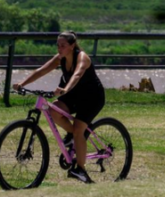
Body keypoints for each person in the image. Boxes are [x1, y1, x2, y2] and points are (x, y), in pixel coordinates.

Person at [13, 31, 105, 184]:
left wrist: (65, 89)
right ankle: (72, 136)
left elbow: (77, 75)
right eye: (58, 45)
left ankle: (80, 169)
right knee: (54, 111)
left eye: (63, 45)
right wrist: (22, 83)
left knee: (78, 130)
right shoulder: (60, 58)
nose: (59, 49)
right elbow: (42, 70)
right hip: (74, 94)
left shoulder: (82, 57)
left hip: (92, 98)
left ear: (72, 45)